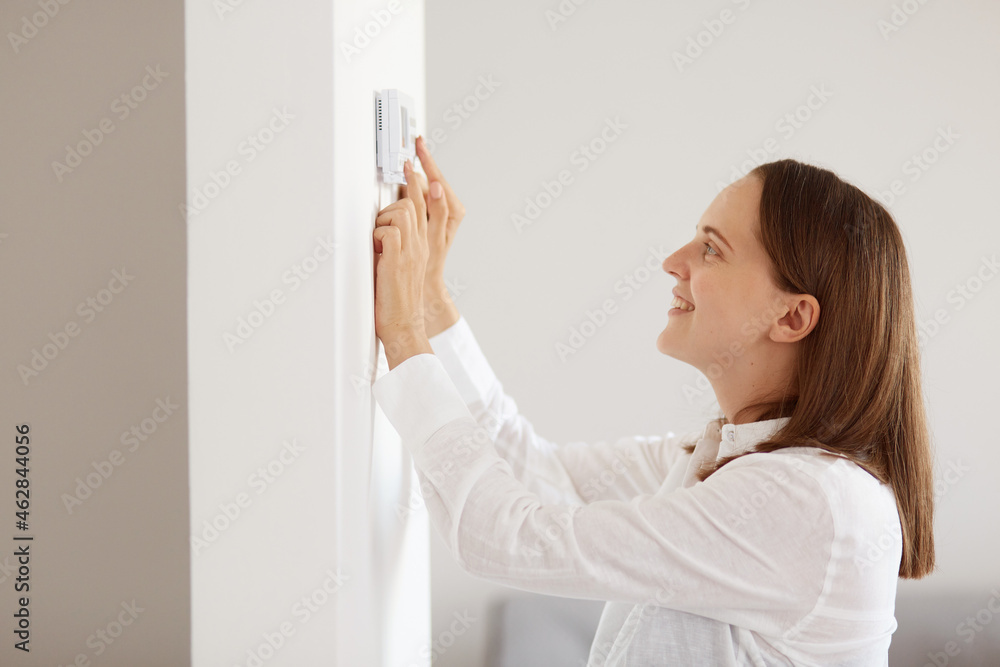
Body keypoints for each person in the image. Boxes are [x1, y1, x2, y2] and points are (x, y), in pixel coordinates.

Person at [370, 136, 935, 666]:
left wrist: (402, 332)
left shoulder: (805, 501)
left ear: (791, 317)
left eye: (711, 249)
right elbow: (540, 475)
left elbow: (506, 538)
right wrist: (429, 301)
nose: (673, 261)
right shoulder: (730, 460)